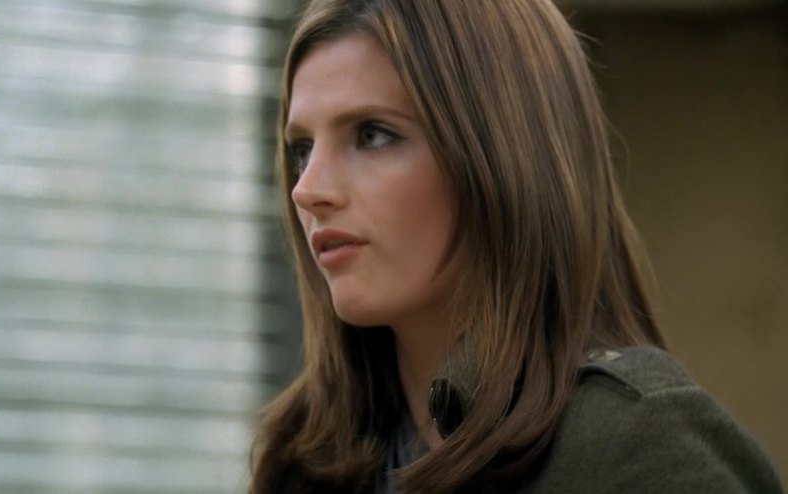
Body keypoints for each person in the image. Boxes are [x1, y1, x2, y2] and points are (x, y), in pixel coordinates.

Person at [250, 0, 783, 492]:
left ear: (503, 155)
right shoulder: (305, 461)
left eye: (372, 134)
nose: (307, 189)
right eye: (301, 149)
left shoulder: (636, 449)